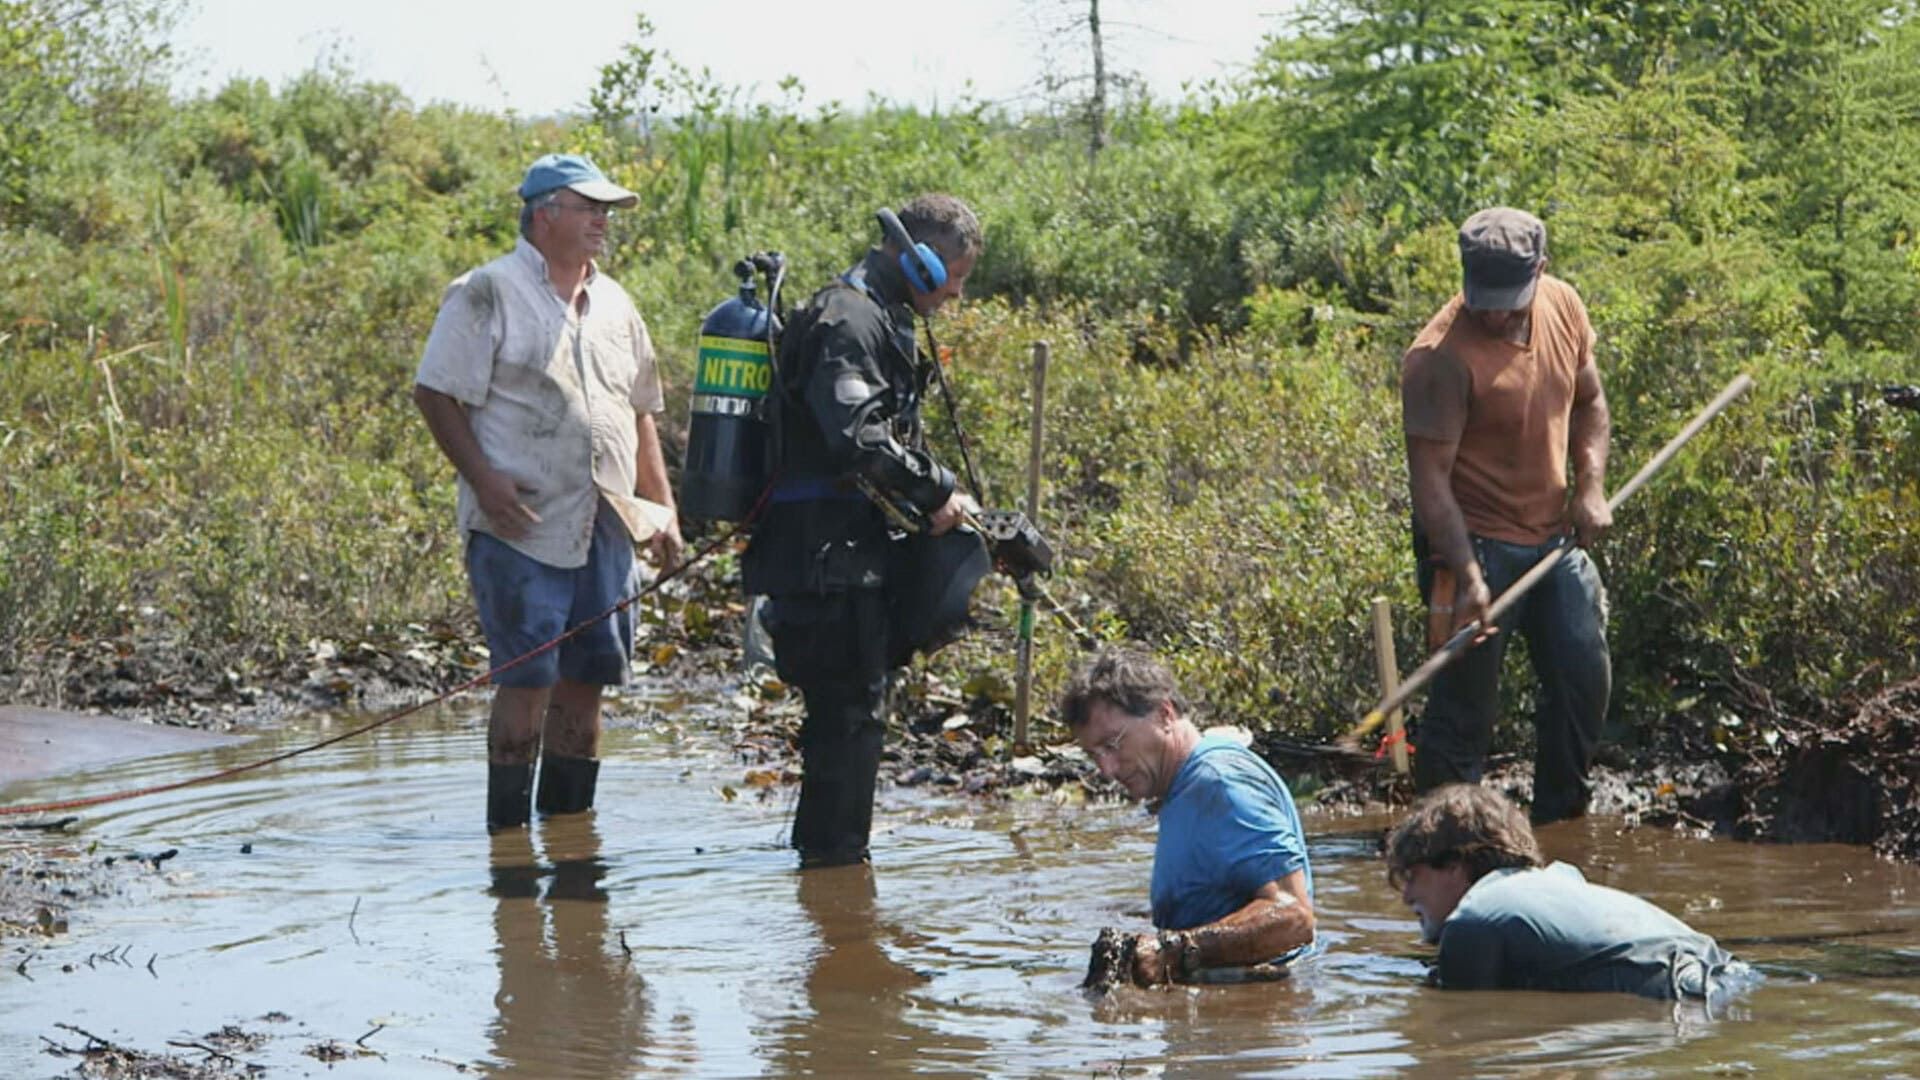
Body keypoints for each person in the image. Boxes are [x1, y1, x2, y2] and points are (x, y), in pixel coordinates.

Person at [413, 153, 684, 833]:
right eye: (588, 208)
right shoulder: (486, 291)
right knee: (528, 679)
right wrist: (485, 480)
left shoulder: (616, 303)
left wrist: (663, 509)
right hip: (521, 523)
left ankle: (569, 841)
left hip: (606, 523)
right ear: (544, 215)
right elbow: (435, 392)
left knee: (589, 678)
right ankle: (507, 846)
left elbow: (640, 410)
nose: (602, 221)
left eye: (607, 210)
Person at [742, 194, 987, 868]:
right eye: (957, 278)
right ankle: (835, 884)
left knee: (850, 720)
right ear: (925, 260)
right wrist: (937, 490)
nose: (956, 294)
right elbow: (859, 437)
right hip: (822, 561)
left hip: (847, 559)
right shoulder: (847, 319)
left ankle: (832, 875)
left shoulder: (878, 315)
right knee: (847, 720)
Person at [1400, 206, 1613, 825]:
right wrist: (1467, 574)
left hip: (1553, 538)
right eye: (1483, 299)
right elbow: (1431, 485)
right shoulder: (1437, 358)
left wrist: (1591, 487)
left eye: (1508, 299)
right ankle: (1442, 841)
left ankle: (1560, 828)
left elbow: (1590, 401)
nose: (1494, 313)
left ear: (1540, 271)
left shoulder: (1563, 306)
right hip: (1473, 541)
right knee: (1465, 710)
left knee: (1582, 679)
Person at [1062, 647, 1315, 987]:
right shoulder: (1183, 788)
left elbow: (1293, 918)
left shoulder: (1219, 784)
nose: (1106, 770)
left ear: (1164, 714)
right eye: (1095, 755)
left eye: (1114, 743)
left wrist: (1172, 950)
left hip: (1255, 1017)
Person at [1384, 783, 1750, 1000]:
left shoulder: (1473, 921)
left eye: (1412, 875)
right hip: (1729, 974)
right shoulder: (1559, 878)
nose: (1406, 897)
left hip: (1684, 997)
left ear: (1454, 865)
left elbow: (1456, 1022)